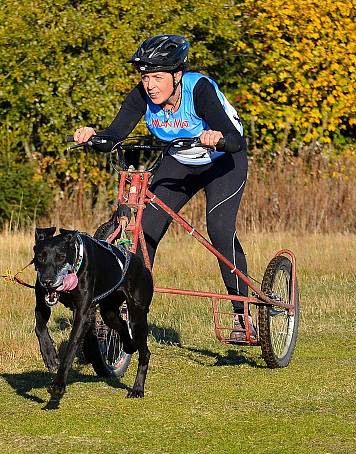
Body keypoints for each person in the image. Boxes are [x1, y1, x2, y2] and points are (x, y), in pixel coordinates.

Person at [72, 34, 253, 337]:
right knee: (144, 229)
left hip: (223, 163)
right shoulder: (142, 95)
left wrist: (216, 137)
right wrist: (93, 136)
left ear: (177, 75)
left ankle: (242, 314)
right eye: (145, 77)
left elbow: (236, 140)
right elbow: (115, 134)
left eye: (157, 77)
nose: (150, 84)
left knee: (219, 229)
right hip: (180, 162)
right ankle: (130, 308)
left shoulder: (200, 90)